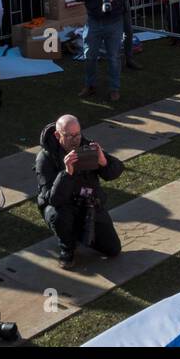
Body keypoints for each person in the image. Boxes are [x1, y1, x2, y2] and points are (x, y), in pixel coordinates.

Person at [35, 114, 124, 269]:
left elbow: (114, 172)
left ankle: (78, 232)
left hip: (88, 204)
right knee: (58, 215)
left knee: (113, 249)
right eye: (69, 136)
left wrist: (104, 162)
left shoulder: (87, 147)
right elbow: (53, 199)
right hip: (63, 207)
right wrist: (66, 173)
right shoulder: (45, 157)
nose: (75, 139)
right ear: (57, 135)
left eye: (78, 134)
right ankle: (67, 247)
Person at [74, 0, 131, 102]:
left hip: (114, 20)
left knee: (113, 57)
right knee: (90, 55)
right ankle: (90, 85)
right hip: (93, 21)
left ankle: (114, 88)